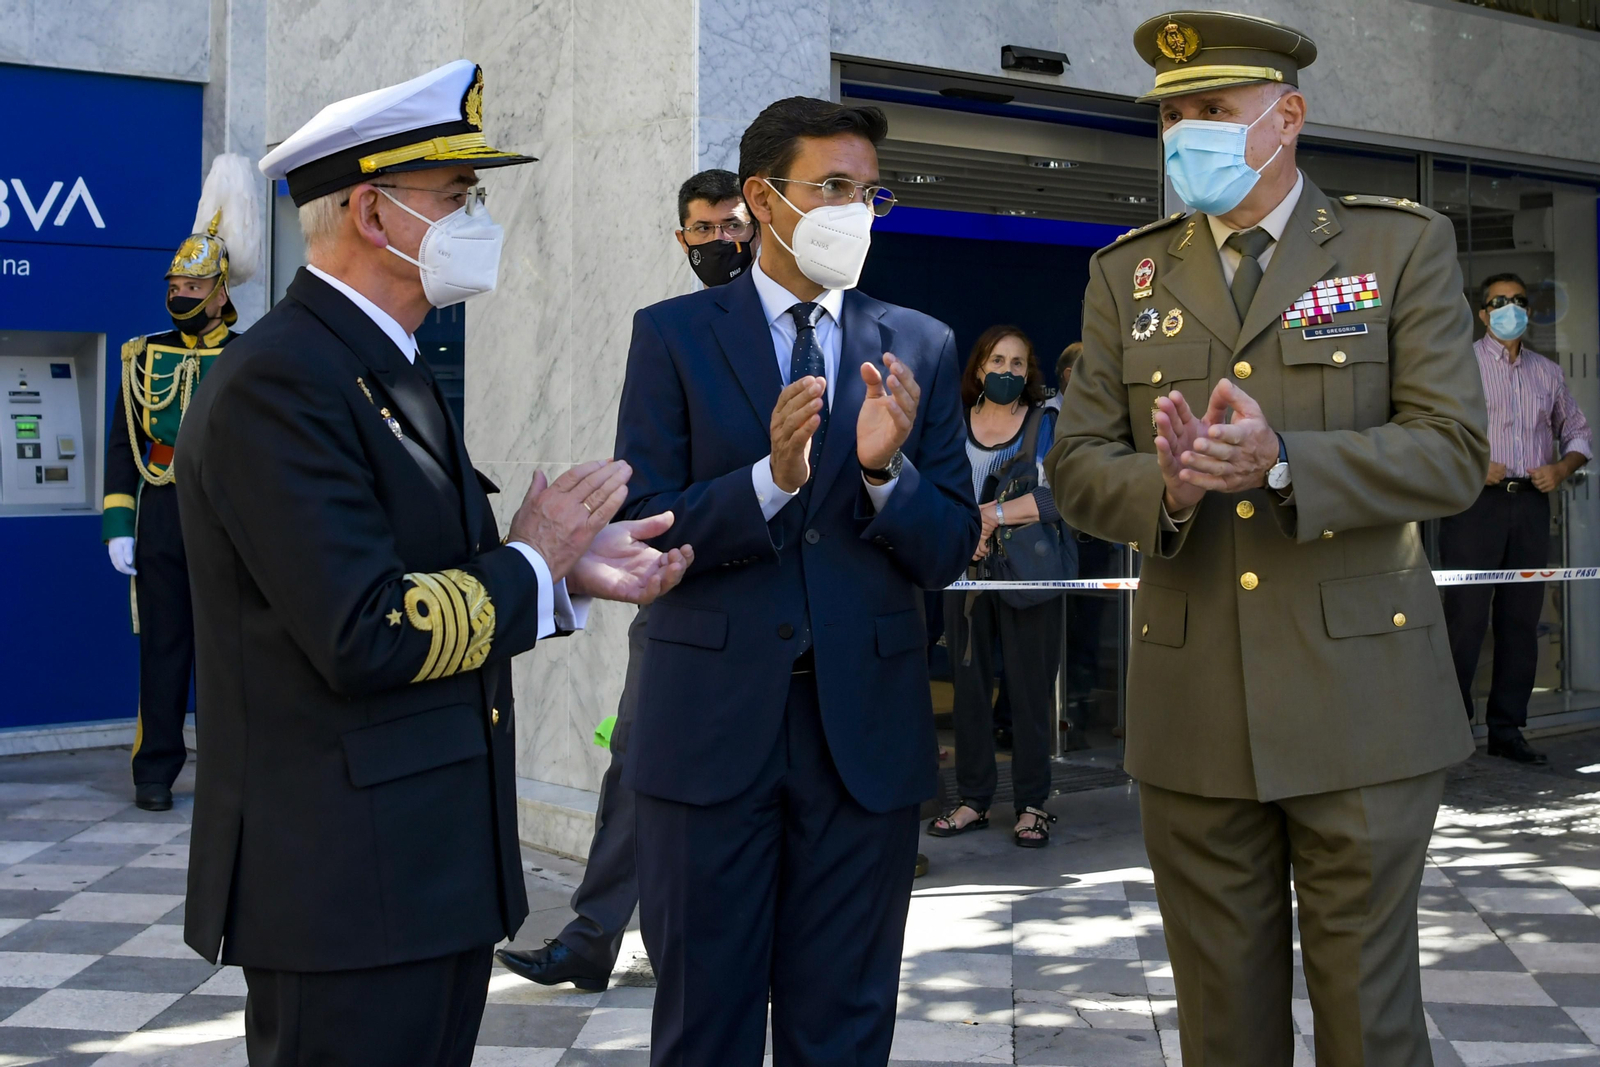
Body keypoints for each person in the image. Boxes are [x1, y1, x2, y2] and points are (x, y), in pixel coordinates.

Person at [176, 61, 691, 1067]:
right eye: (458, 196)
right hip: (342, 883)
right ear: (373, 212)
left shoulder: (380, 365)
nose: (476, 217)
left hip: (418, 871)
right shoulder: (279, 380)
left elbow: (431, 571)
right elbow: (363, 629)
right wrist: (530, 557)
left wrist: (561, 570)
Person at [1050, 12, 1489, 1065]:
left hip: (1362, 704)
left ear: (1285, 116)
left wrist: (1283, 458)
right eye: (1171, 113)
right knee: (1221, 1027)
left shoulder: (1396, 245)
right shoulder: (1128, 275)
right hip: (1194, 703)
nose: (1184, 131)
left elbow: (1450, 452)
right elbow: (1076, 465)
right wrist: (1171, 481)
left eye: (1211, 109)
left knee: (1367, 1023)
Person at [614, 96, 979, 1066]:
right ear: (762, 199)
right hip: (709, 731)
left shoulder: (920, 346)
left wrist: (879, 474)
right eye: (833, 189)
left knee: (845, 1023)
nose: (854, 212)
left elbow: (947, 544)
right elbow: (642, 524)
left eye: (871, 193)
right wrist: (766, 482)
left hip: (862, 738)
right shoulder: (673, 335)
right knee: (705, 1022)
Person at [496, 167, 760, 993]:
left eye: (732, 227)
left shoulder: (813, 334)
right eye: (702, 230)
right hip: (682, 598)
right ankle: (592, 935)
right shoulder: (671, 334)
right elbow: (647, 492)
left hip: (790, 610)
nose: (720, 242)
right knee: (639, 763)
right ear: (679, 240)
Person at [102, 154, 259, 813]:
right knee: (163, 647)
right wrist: (117, 523)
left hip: (229, 516)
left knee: (231, 652)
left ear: (221, 292)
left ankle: (234, 769)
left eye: (193, 288)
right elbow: (121, 445)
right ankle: (154, 769)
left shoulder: (252, 354)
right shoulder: (143, 353)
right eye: (176, 286)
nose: (180, 296)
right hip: (162, 507)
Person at [1441, 272, 1592, 765]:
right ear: (1482, 314)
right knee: (1464, 619)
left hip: (1529, 505)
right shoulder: (1458, 365)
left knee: (1521, 620)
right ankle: (1451, 730)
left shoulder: (1548, 372)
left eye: (1519, 301)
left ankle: (1508, 729)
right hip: (1474, 504)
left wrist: (1560, 468)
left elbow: (1577, 433)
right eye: (1498, 302)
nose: (1510, 309)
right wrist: (1472, 463)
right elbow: (1431, 430)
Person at [929, 325, 1070, 848]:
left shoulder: (1046, 423)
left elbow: (1064, 499)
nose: (1007, 371)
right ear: (978, 368)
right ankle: (973, 800)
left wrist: (990, 517)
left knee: (1030, 694)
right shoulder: (951, 423)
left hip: (1030, 575)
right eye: (997, 360)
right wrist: (962, 536)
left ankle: (1033, 804)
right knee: (968, 692)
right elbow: (936, 492)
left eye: (1018, 363)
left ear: (1028, 372)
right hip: (964, 576)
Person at [675, 167, 759, 288]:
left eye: (733, 226)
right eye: (704, 228)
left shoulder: (790, 306)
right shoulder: (672, 308)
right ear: (683, 241)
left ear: (758, 234)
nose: (718, 238)